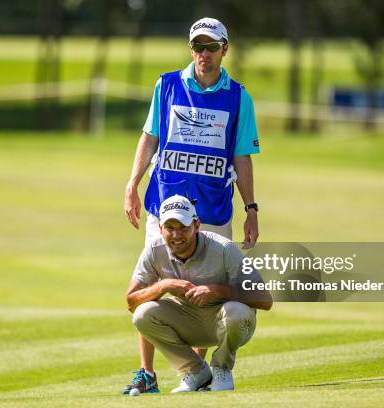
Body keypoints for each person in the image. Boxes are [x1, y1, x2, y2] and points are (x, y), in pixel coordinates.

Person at [123, 16, 261, 394]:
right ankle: (147, 374)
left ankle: (197, 373)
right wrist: (132, 183)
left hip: (213, 209)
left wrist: (251, 208)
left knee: (207, 288)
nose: (203, 53)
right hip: (165, 207)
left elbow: (242, 156)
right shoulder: (166, 85)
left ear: (224, 49)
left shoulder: (237, 96)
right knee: (152, 286)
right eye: (197, 46)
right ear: (191, 49)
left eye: (210, 46)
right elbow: (149, 138)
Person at [126, 195, 272, 392]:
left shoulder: (223, 249)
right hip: (188, 320)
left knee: (236, 311)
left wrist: (219, 291)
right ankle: (196, 372)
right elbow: (131, 301)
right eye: (170, 227)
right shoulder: (154, 251)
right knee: (142, 314)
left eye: (183, 227)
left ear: (196, 225)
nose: (176, 235)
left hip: (223, 317)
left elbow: (264, 298)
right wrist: (164, 286)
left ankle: (222, 368)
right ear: (160, 228)